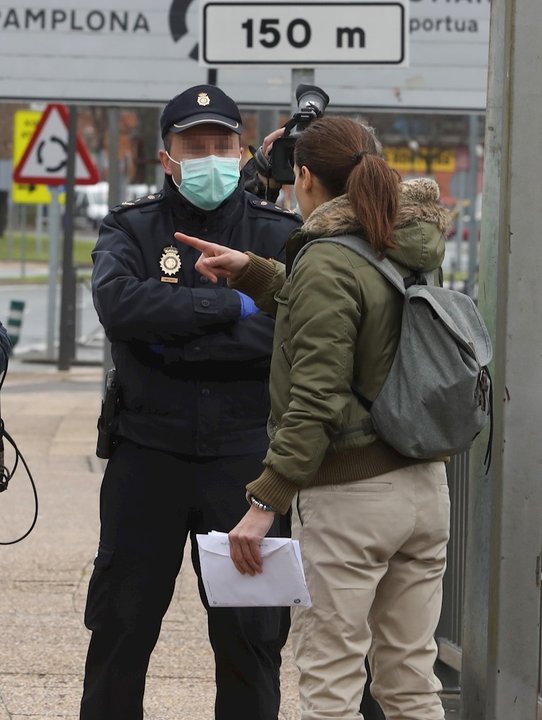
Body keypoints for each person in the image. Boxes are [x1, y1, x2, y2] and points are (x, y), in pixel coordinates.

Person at [175, 115, 451, 720]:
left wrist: (264, 502)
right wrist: (253, 269)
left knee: (330, 686)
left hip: (353, 498)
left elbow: (317, 398)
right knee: (410, 682)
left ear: (303, 177)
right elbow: (360, 312)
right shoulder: (405, 243)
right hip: (423, 488)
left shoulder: (329, 258)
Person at [79, 84, 300, 720]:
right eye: (193, 145)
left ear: (241, 148)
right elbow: (120, 308)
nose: (209, 156)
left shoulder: (277, 232)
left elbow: (291, 330)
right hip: (147, 458)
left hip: (241, 465)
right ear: (167, 156)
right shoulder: (132, 226)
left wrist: (172, 331)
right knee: (121, 631)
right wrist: (231, 304)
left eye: (221, 145)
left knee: (250, 641)